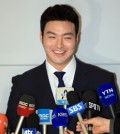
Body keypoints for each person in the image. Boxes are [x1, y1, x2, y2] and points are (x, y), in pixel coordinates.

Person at [6, 4, 120, 134]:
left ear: (77, 38)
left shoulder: (102, 81)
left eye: (67, 37)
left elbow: (115, 126)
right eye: (52, 37)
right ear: (41, 37)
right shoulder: (22, 84)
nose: (59, 45)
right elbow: (12, 129)